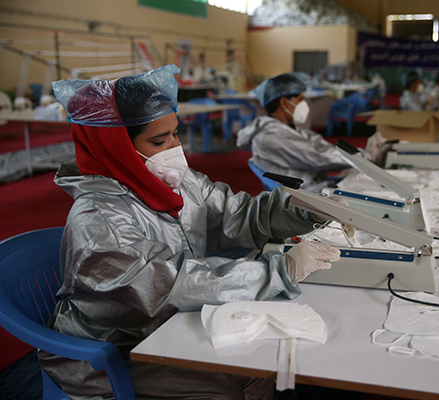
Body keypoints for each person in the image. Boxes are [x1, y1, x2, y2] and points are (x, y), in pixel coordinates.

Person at [38, 65, 340, 400]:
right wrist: (280, 271)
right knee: (225, 391)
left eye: (175, 134)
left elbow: (239, 213)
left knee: (261, 370)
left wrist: (303, 209)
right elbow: (167, 284)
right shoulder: (98, 219)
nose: (173, 149)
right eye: (158, 140)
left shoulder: (180, 182)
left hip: (176, 323)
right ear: (116, 147)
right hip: (115, 351)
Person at [237, 72, 350, 193]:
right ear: (284, 103)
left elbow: (318, 145)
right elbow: (318, 157)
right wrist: (364, 157)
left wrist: (356, 156)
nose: (304, 104)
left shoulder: (286, 129)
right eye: (300, 99)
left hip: (313, 184)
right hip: (308, 194)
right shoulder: (271, 136)